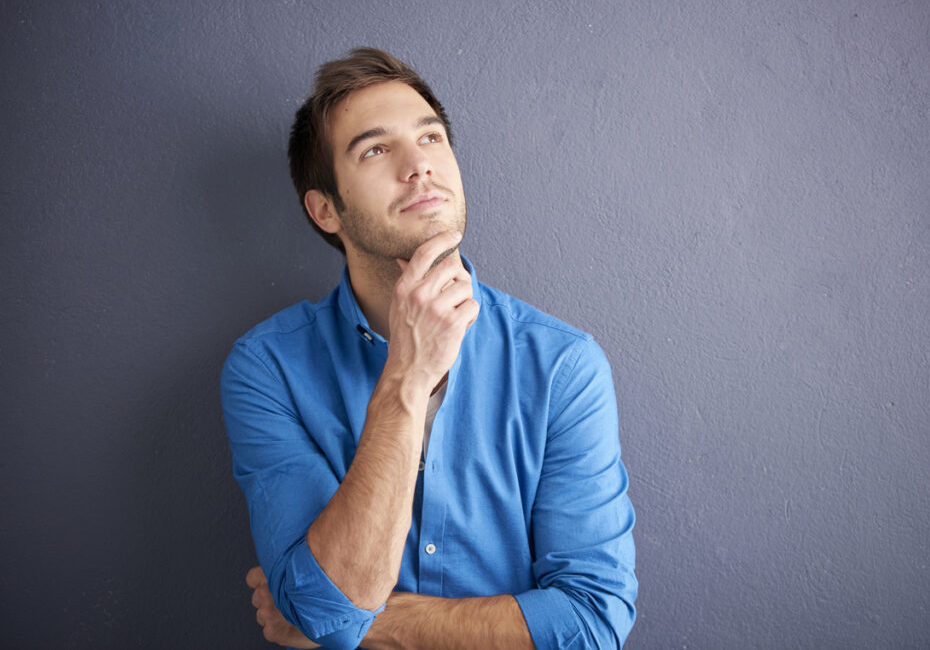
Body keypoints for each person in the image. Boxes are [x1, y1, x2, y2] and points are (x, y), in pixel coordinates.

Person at [221, 48, 636, 650]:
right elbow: (326, 605)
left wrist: (370, 624)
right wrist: (407, 380)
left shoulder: (562, 367)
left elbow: (592, 624)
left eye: (431, 138)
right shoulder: (267, 370)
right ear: (325, 210)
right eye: (375, 150)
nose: (419, 166)